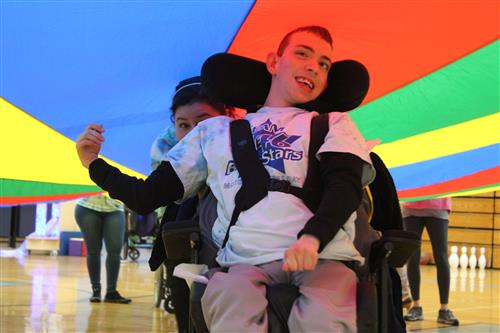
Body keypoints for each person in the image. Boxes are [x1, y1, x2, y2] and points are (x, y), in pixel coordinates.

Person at [76, 25, 375, 332]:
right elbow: (147, 196)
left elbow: (345, 186)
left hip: (324, 257)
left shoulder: (334, 124)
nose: (314, 66)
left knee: (323, 320)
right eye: (302, 54)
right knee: (232, 310)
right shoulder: (213, 132)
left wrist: (312, 238)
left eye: (324, 64)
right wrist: (93, 163)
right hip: (244, 262)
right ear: (273, 62)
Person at [149, 76, 234, 333]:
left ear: (226, 115)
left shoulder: (243, 146)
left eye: (204, 122)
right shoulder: (165, 150)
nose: (195, 133)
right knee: (188, 319)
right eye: (183, 125)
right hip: (182, 241)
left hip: (232, 254)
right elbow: (151, 195)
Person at [402, 197, 459, 326]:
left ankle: (444, 309)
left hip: (438, 205)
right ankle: (415, 306)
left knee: (441, 257)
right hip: (412, 206)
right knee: (412, 257)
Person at [74, 194, 131, 303]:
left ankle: (111, 292)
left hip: (115, 208)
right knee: (93, 250)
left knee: (115, 250)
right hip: (87, 207)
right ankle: (96, 290)